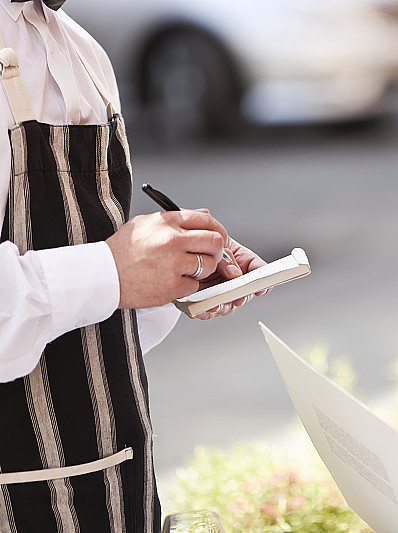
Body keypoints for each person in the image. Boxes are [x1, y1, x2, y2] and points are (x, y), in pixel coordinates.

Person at [0, 0, 266, 531]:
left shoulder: (83, 52)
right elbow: (98, 273)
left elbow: (82, 318)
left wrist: (169, 271)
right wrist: (110, 271)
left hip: (127, 498)